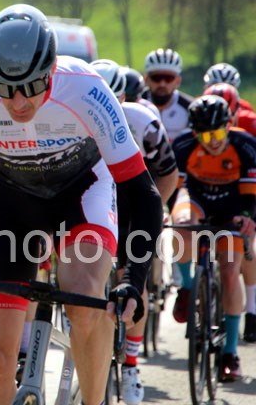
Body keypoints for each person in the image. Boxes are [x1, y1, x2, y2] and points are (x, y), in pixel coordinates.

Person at [0, 4, 162, 405]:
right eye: (4, 88)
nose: (18, 102)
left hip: (81, 191)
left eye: (30, 86)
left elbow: (143, 193)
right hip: (10, 199)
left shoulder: (86, 89)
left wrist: (133, 278)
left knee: (84, 301)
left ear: (50, 69)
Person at [92, 59, 179, 405]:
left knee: (133, 278)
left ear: (123, 98)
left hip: (132, 203)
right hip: (92, 200)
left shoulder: (143, 122)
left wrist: (156, 212)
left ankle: (130, 365)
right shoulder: (70, 117)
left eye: (110, 101)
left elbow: (168, 174)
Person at [170, 95, 256, 382]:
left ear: (229, 126)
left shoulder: (245, 145)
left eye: (218, 133)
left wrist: (248, 217)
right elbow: (175, 191)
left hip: (233, 207)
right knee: (181, 225)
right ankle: (187, 287)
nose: (214, 141)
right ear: (195, 133)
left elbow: (252, 195)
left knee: (230, 271)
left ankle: (230, 353)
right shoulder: (183, 146)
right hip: (197, 200)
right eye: (206, 135)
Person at [201, 84, 256, 343]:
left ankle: (252, 310)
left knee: (242, 248)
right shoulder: (198, 125)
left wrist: (249, 215)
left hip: (242, 193)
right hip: (209, 195)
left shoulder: (248, 126)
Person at [143, 48, 193, 141]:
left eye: (168, 78)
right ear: (146, 80)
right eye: (156, 78)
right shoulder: (136, 104)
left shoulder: (190, 108)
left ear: (178, 81)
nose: (162, 84)